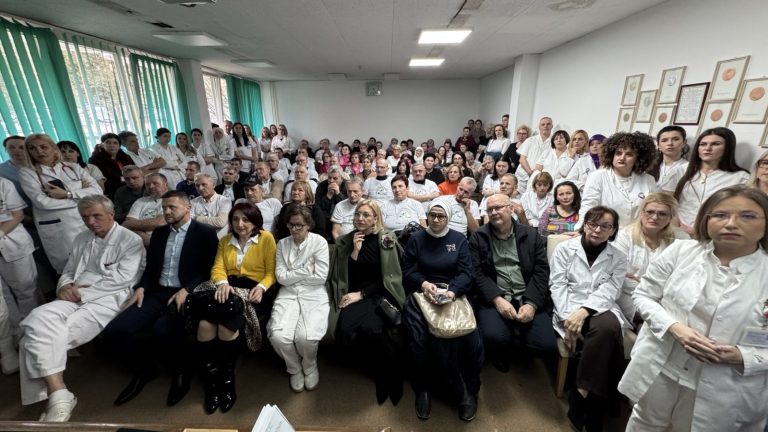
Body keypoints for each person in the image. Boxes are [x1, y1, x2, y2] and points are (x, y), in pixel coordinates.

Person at [619, 186, 768, 432]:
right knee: (645, 422)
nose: (731, 223)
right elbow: (644, 295)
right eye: (720, 215)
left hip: (728, 380)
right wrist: (675, 328)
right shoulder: (681, 251)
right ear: (706, 219)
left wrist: (743, 356)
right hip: (663, 364)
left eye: (748, 216)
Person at [18, 195, 145, 422]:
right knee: (36, 318)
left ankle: (57, 397)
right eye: (85, 217)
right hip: (73, 293)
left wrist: (81, 293)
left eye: (96, 216)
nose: (90, 222)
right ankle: (60, 394)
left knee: (35, 338)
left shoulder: (130, 240)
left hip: (108, 299)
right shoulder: (81, 238)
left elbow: (123, 279)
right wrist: (64, 287)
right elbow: (68, 270)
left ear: (111, 215)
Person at [104, 191, 218, 407]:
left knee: (163, 329)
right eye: (164, 207)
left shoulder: (204, 232)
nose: (166, 211)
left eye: (172, 207)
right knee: (116, 330)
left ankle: (182, 371)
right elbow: (151, 267)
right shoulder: (159, 233)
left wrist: (187, 289)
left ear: (188, 208)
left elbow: (209, 270)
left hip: (184, 293)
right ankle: (145, 369)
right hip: (156, 292)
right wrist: (141, 287)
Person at [192, 202, 276, 413]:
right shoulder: (225, 240)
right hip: (227, 288)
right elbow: (217, 267)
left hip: (253, 290)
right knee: (205, 325)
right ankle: (212, 382)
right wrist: (222, 284)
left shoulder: (266, 238)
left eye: (245, 219)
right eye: (236, 219)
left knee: (225, 326)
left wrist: (261, 287)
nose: (240, 224)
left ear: (255, 221)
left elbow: (271, 272)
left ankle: (227, 380)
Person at [550, 206, 628, 431]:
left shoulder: (618, 257)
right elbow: (557, 285)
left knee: (608, 328)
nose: (597, 230)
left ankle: (582, 393)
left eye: (605, 226)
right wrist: (568, 318)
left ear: (613, 231)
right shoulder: (565, 249)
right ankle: (600, 401)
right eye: (593, 224)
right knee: (609, 337)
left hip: (600, 307)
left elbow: (611, 290)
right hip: (568, 305)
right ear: (585, 225)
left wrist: (583, 311)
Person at [402, 201, 483, 422]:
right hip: (422, 294)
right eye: (432, 215)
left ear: (448, 218)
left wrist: (451, 292)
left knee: (470, 340)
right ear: (427, 216)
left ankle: (470, 389)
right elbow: (408, 271)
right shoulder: (416, 239)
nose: (436, 220)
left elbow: (467, 273)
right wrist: (425, 284)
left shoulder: (459, 239)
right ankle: (424, 389)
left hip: (452, 294)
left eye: (441, 216)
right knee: (421, 339)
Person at [328, 199, 406, 405]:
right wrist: (355, 251)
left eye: (366, 215)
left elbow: (388, 277)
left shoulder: (386, 239)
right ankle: (380, 370)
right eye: (357, 214)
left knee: (373, 329)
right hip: (355, 292)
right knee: (345, 331)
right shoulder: (348, 240)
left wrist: (362, 294)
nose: (360, 219)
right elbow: (347, 276)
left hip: (380, 293)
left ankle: (391, 377)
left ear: (375, 218)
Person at [471, 193, 555, 373]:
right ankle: (503, 350)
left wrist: (532, 304)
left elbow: (541, 271)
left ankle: (520, 339)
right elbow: (477, 273)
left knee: (546, 345)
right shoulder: (479, 236)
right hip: (497, 295)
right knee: (493, 337)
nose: (494, 212)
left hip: (527, 293)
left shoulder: (530, 235)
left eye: (498, 207)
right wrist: (497, 299)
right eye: (490, 209)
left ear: (511, 208)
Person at [19, 134, 102, 273]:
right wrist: (80, 191)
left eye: (44, 147)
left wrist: (67, 194)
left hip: (85, 220)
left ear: (53, 148)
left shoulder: (73, 167)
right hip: (59, 227)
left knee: (98, 259)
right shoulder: (27, 173)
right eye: (32, 148)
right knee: (72, 269)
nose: (39, 151)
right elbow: (43, 202)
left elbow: (97, 191)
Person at [269, 205, 329, 392]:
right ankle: (294, 368)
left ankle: (310, 366)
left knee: (306, 337)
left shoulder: (319, 242)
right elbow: (281, 278)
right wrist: (306, 270)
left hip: (314, 293)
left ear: (308, 225)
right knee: (278, 336)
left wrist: (292, 275)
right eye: (291, 225)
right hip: (288, 293)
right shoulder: (282, 244)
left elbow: (320, 277)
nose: (294, 229)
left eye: (299, 225)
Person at [612, 193, 687, 324]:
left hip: (668, 299)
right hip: (630, 296)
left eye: (662, 214)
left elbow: (683, 277)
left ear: (671, 217)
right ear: (641, 213)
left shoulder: (681, 239)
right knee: (659, 319)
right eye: (650, 212)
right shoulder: (624, 236)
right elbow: (621, 277)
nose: (654, 217)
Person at [674, 127, 750, 234]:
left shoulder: (740, 177)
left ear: (727, 148)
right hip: (678, 230)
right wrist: (675, 224)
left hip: (714, 234)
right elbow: (667, 201)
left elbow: (740, 211)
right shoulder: (682, 170)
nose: (708, 148)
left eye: (715, 144)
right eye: (703, 144)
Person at [578, 131, 658, 229]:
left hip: (637, 232)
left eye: (629, 154)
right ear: (612, 155)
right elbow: (588, 206)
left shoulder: (648, 180)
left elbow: (654, 209)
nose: (622, 158)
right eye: (618, 153)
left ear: (638, 159)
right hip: (605, 232)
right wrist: (581, 229)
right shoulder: (597, 176)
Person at [0, 177, 40, 340]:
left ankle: (31, 332)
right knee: (3, 297)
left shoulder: (3, 184)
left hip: (14, 245)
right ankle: (16, 333)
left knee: (26, 291)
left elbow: (17, 216)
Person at [123, 173, 169, 246]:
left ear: (166, 184)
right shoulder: (140, 201)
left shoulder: (173, 199)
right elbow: (128, 223)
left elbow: (160, 223)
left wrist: (132, 224)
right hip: (138, 243)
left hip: (163, 242)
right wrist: (146, 239)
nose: (151, 187)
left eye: (155, 183)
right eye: (147, 184)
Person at [87, 133, 135, 198]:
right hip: (112, 191)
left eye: (115, 143)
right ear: (102, 145)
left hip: (130, 186)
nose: (112, 145)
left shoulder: (126, 157)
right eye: (108, 142)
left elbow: (134, 170)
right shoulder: (95, 159)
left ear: (119, 146)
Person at [516, 117, 554, 192]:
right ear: (539, 126)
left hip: (541, 179)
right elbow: (522, 159)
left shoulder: (554, 142)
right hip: (523, 175)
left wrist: (536, 175)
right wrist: (530, 173)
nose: (545, 126)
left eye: (548, 124)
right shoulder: (530, 140)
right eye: (543, 124)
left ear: (552, 126)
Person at [652, 125, 689, 192]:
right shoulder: (650, 166)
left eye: (675, 139)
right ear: (658, 145)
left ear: (684, 143)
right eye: (664, 140)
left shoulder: (688, 167)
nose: (670, 143)